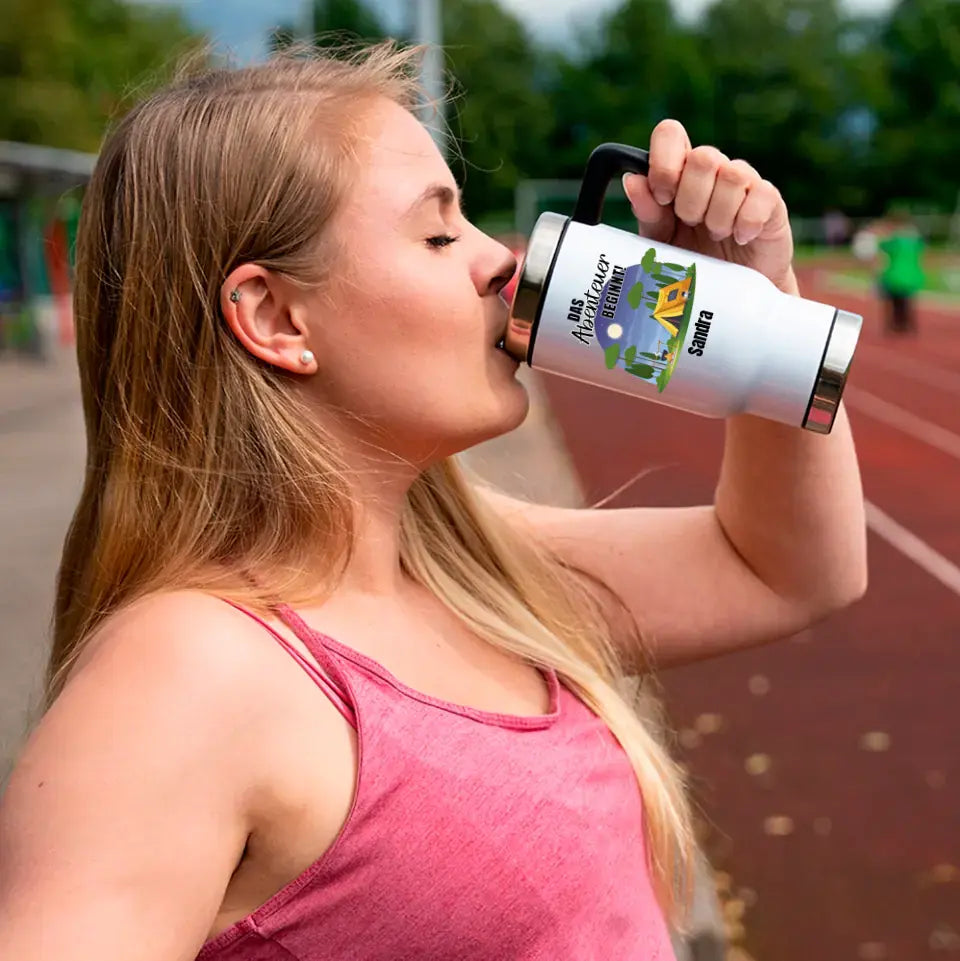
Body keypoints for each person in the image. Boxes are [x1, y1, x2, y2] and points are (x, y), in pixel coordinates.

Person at [0, 42, 867, 960]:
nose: (504, 263)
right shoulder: (183, 680)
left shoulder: (464, 565)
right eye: (441, 233)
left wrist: (765, 316)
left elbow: (787, 569)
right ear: (275, 319)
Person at [875, 210, 926, 335]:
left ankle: (892, 326)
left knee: (891, 302)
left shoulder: (894, 240)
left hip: (894, 275)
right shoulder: (915, 241)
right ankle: (908, 326)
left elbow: (881, 246)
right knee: (908, 303)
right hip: (911, 275)